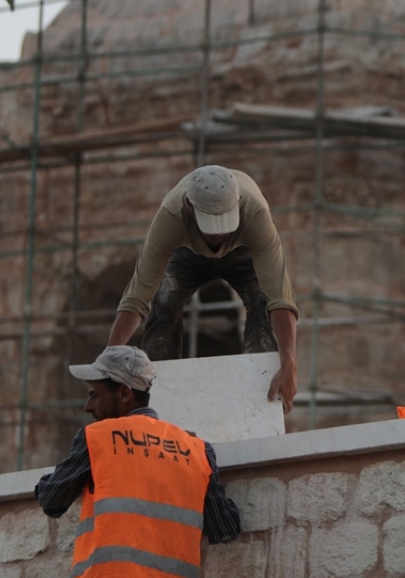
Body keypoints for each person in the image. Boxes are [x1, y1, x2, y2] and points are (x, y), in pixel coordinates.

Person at [36, 346, 241, 578]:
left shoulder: (98, 438)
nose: (88, 407)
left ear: (123, 394)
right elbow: (225, 528)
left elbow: (51, 499)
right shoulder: (196, 449)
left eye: (94, 395)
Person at [108, 165, 298, 413]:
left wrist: (289, 362)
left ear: (237, 202)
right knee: (164, 300)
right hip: (188, 253)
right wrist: (108, 361)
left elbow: (280, 296)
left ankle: (261, 391)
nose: (218, 232)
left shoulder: (254, 213)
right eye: (211, 224)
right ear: (189, 206)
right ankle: (157, 390)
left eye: (224, 223)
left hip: (241, 252)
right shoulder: (170, 216)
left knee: (262, 302)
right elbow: (137, 296)